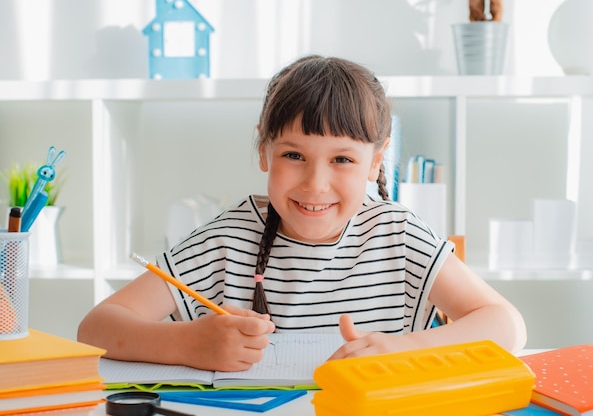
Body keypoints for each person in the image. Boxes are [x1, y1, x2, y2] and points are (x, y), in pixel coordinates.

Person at [78, 55, 526, 372]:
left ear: (375, 161)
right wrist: (186, 344)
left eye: (342, 160)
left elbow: (507, 325)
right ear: (263, 150)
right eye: (294, 155)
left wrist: (405, 349)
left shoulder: (399, 235)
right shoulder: (224, 241)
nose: (315, 183)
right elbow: (95, 328)